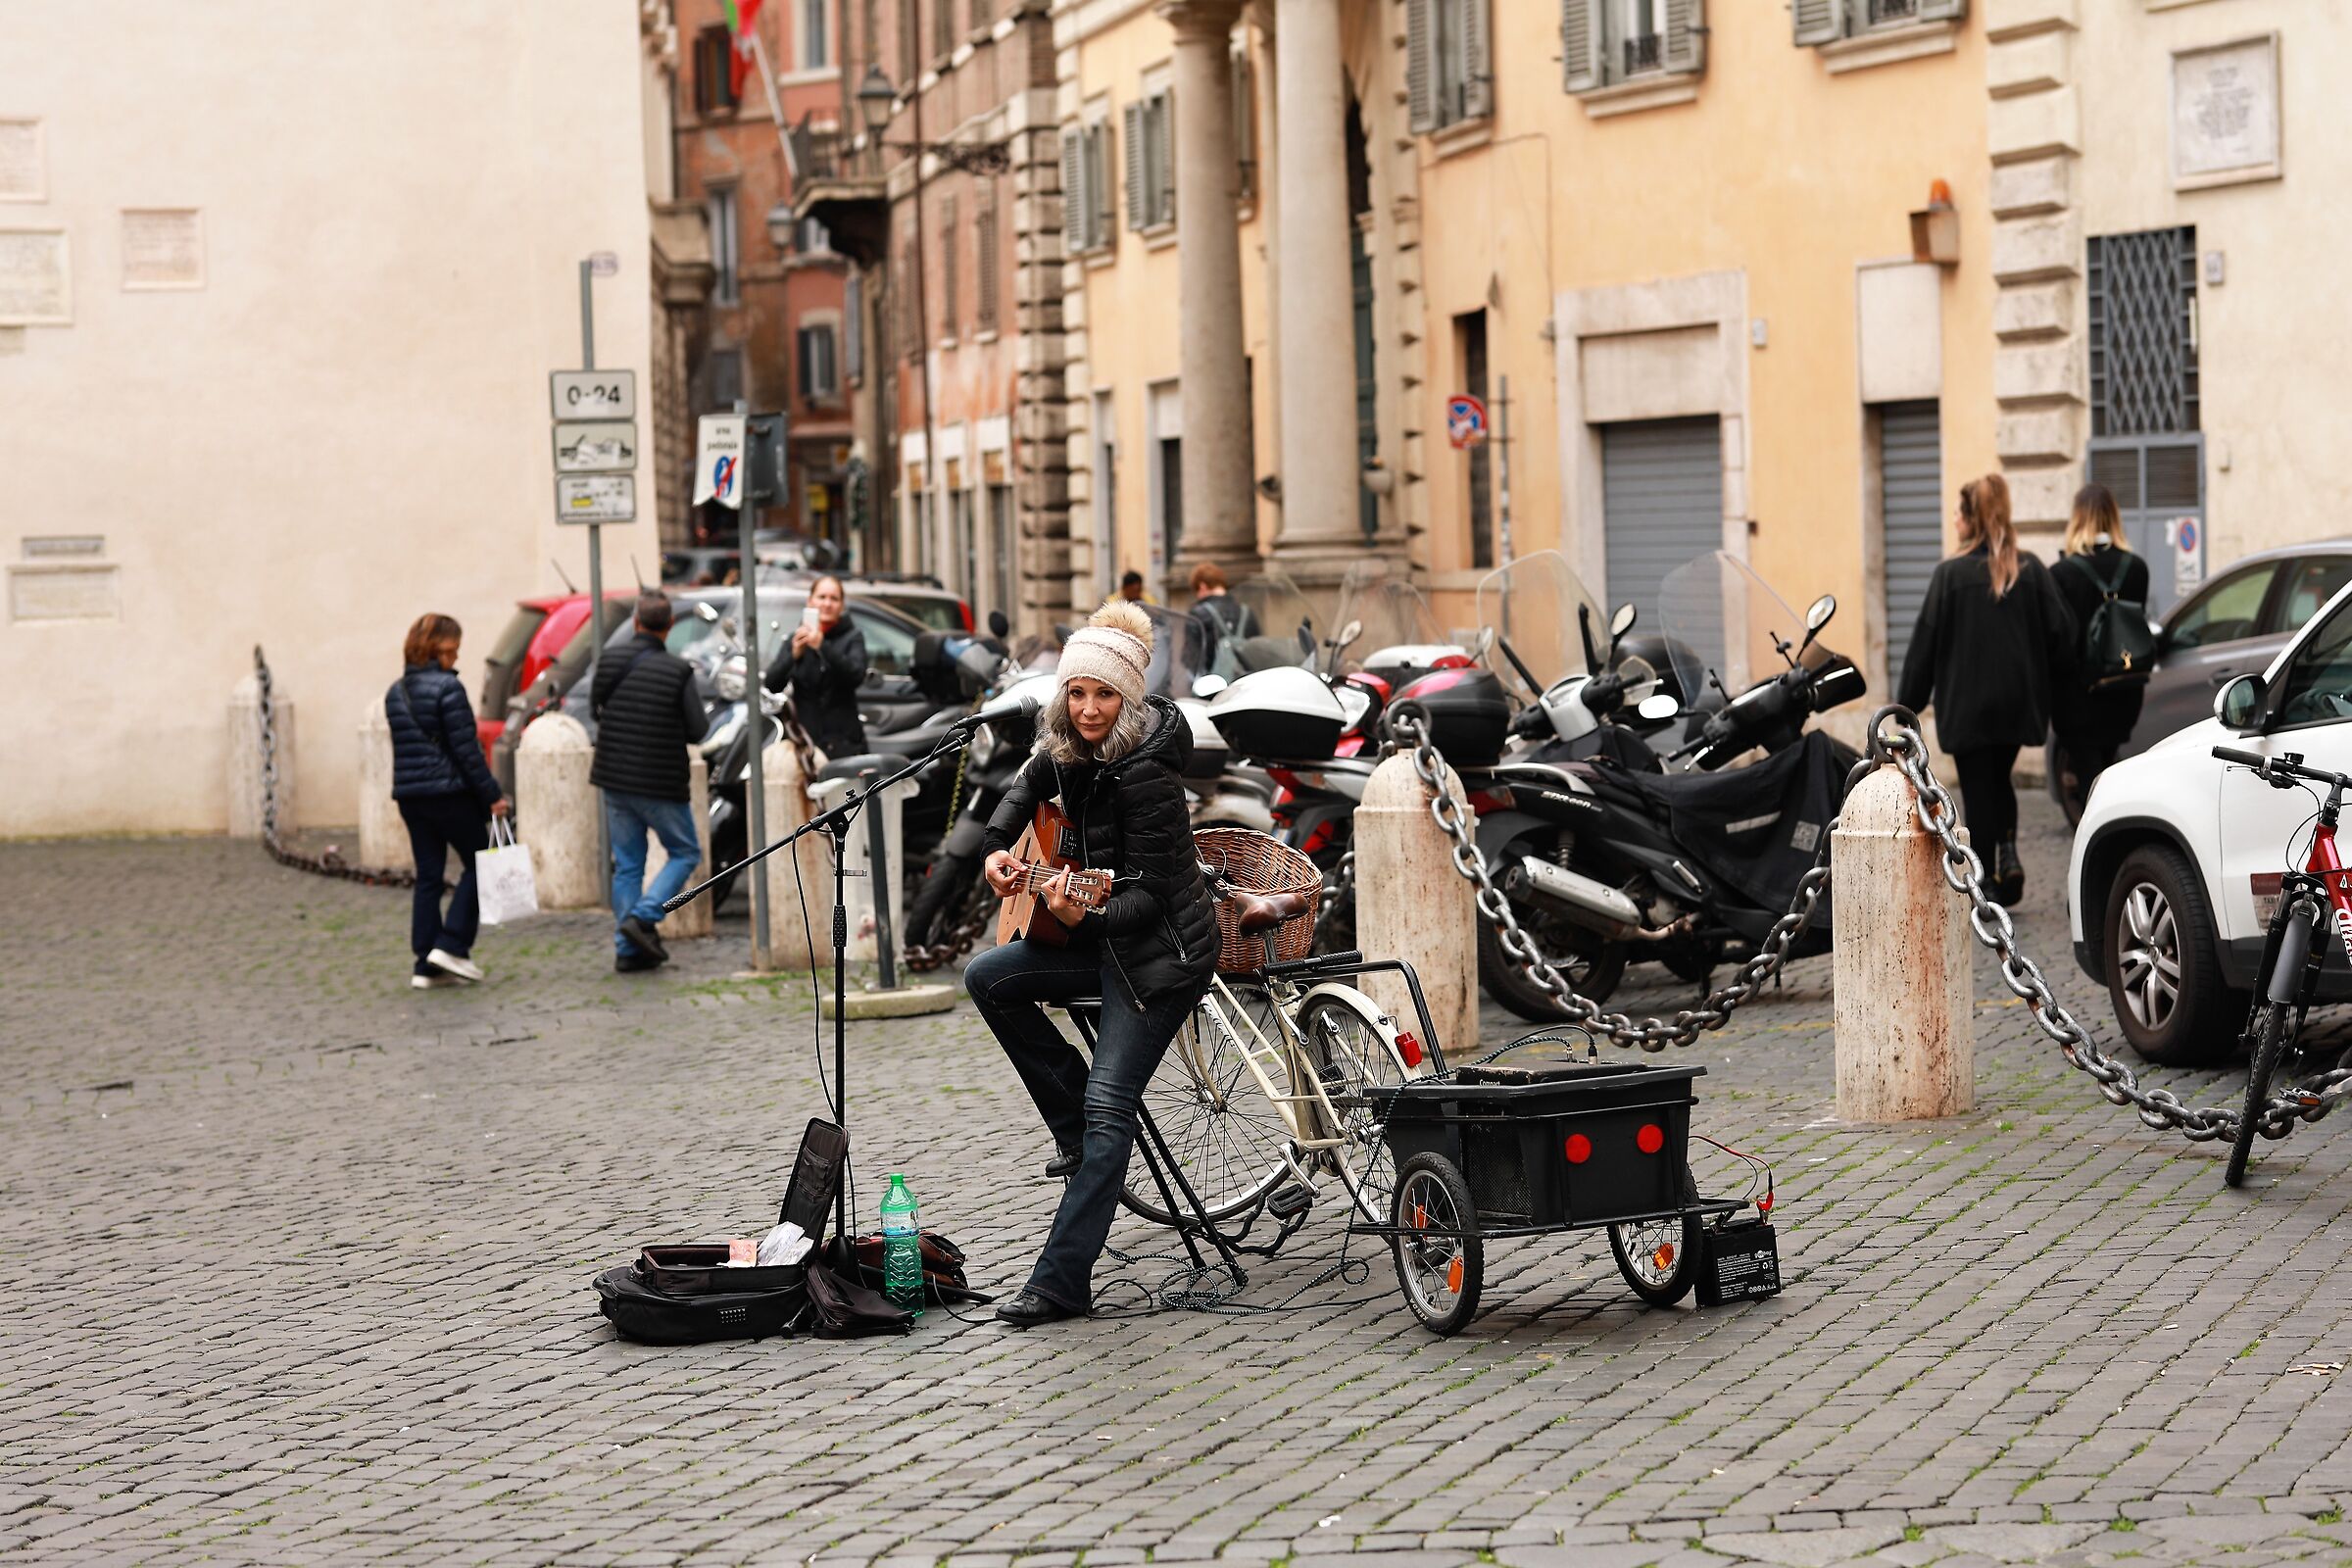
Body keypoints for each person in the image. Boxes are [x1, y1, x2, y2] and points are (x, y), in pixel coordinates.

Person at [964, 597, 1220, 1327]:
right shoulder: (1067, 750)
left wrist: (1087, 912)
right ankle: (1080, 1134)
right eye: (1076, 692)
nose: (1087, 708)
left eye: (1103, 693)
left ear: (1128, 698)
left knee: (1115, 1105)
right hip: (1099, 946)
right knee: (990, 977)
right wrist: (995, 853)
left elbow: (1152, 901)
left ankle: (1060, 1284)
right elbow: (1021, 791)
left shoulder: (1149, 778)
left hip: (1160, 958)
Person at [1897, 473, 2077, 906]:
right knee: (1998, 780)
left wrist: (1905, 710)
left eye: (1958, 514)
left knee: (1980, 791)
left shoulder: (1949, 575)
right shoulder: (2029, 569)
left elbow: (1923, 648)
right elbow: (2064, 634)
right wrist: (2039, 676)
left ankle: (1987, 879)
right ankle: (2008, 855)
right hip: (2017, 706)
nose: (1954, 522)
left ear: (1971, 519)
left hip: (1968, 707)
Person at [385, 612, 510, 990]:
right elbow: (466, 752)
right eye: (454, 647)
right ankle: (452, 944)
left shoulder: (395, 691)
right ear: (440, 647)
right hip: (448, 794)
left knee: (429, 875)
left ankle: (425, 964)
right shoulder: (448, 689)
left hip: (410, 795)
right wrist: (492, 796)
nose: (457, 654)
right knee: (480, 864)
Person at [591, 591, 710, 973]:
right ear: (669, 626)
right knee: (685, 852)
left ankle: (627, 951)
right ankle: (642, 918)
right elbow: (697, 730)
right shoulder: (678, 671)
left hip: (614, 775)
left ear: (637, 622)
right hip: (660, 781)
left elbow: (597, 707)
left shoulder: (609, 660)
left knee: (627, 865)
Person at [2048, 483, 2151, 814]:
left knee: (2088, 778)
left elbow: (2059, 644)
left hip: (2078, 698)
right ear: (2114, 517)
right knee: (2107, 768)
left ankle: (2096, 844)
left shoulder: (2061, 574)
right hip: (2124, 690)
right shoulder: (2136, 569)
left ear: (2077, 519)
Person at [764, 574, 868, 758]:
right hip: (806, 743)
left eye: (834, 599)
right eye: (822, 597)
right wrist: (794, 655)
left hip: (843, 743)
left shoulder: (853, 637)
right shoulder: (795, 640)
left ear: (841, 605)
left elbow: (855, 675)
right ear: (810, 601)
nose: (827, 604)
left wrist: (822, 646)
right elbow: (772, 684)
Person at [1187, 562, 1258, 673]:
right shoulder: (1247, 612)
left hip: (1215, 686)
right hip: (1246, 683)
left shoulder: (1198, 614)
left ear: (1202, 586)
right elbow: (1258, 650)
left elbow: (1190, 659)